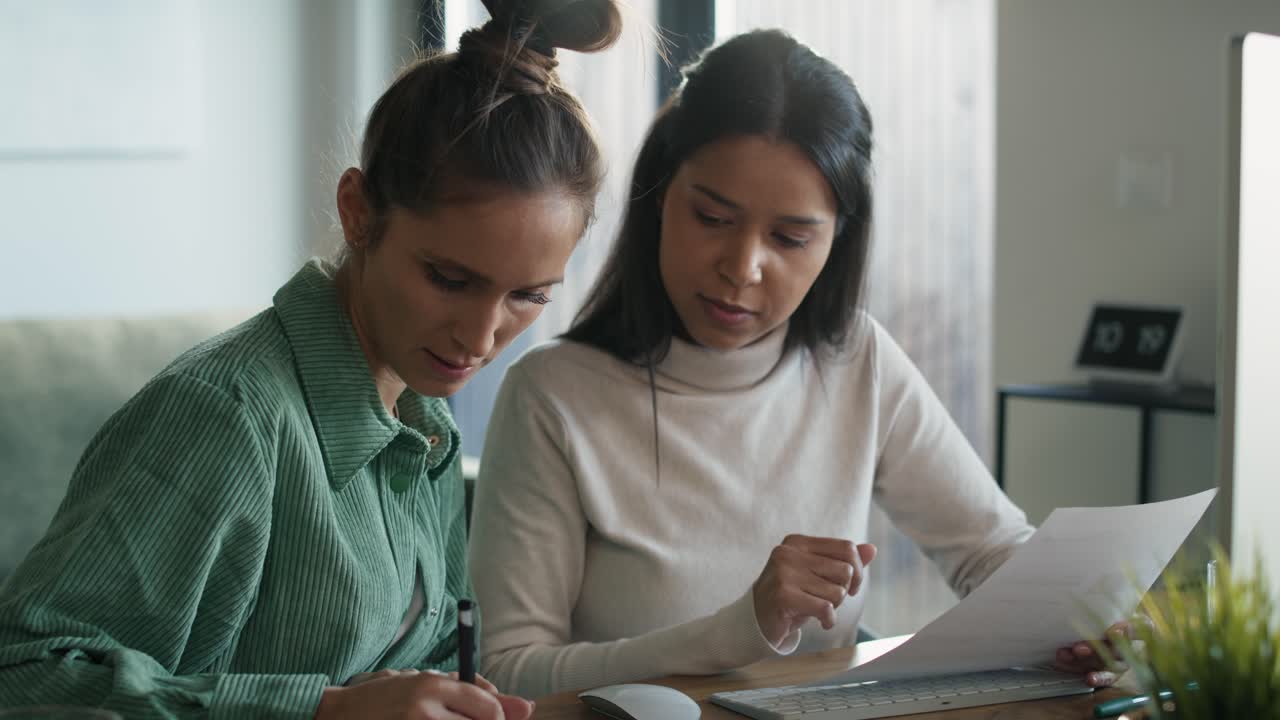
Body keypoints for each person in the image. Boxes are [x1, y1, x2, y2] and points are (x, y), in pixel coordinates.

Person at [0, 1, 622, 717]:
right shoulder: (224, 418)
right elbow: (23, 677)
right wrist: (322, 711)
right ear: (358, 211)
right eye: (449, 280)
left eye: (528, 297)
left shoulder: (425, 427)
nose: (480, 337)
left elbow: (421, 663)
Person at [469, 29, 1124, 699]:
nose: (742, 268)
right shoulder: (552, 395)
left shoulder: (857, 361)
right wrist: (740, 627)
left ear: (837, 241)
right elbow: (509, 670)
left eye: (790, 238)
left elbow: (988, 550)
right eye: (712, 216)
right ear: (660, 194)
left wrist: (1079, 616)